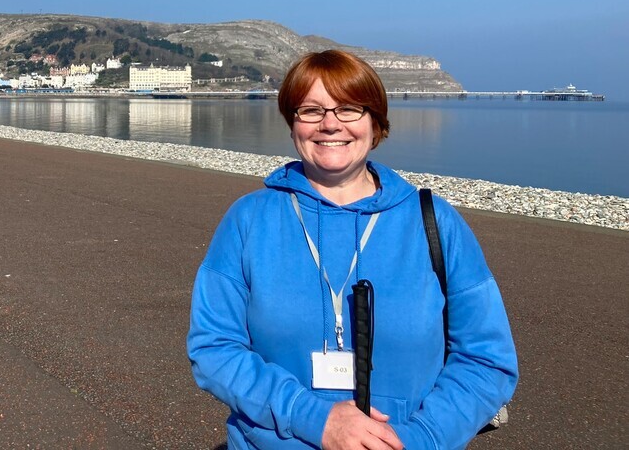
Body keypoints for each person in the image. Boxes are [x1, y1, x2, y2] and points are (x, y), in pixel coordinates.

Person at [188, 50, 517, 450]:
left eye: (349, 109)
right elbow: (214, 348)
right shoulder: (248, 220)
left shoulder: (434, 222)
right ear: (292, 123)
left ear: (375, 122)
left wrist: (416, 439)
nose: (330, 124)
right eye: (311, 110)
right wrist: (313, 418)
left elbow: (486, 360)